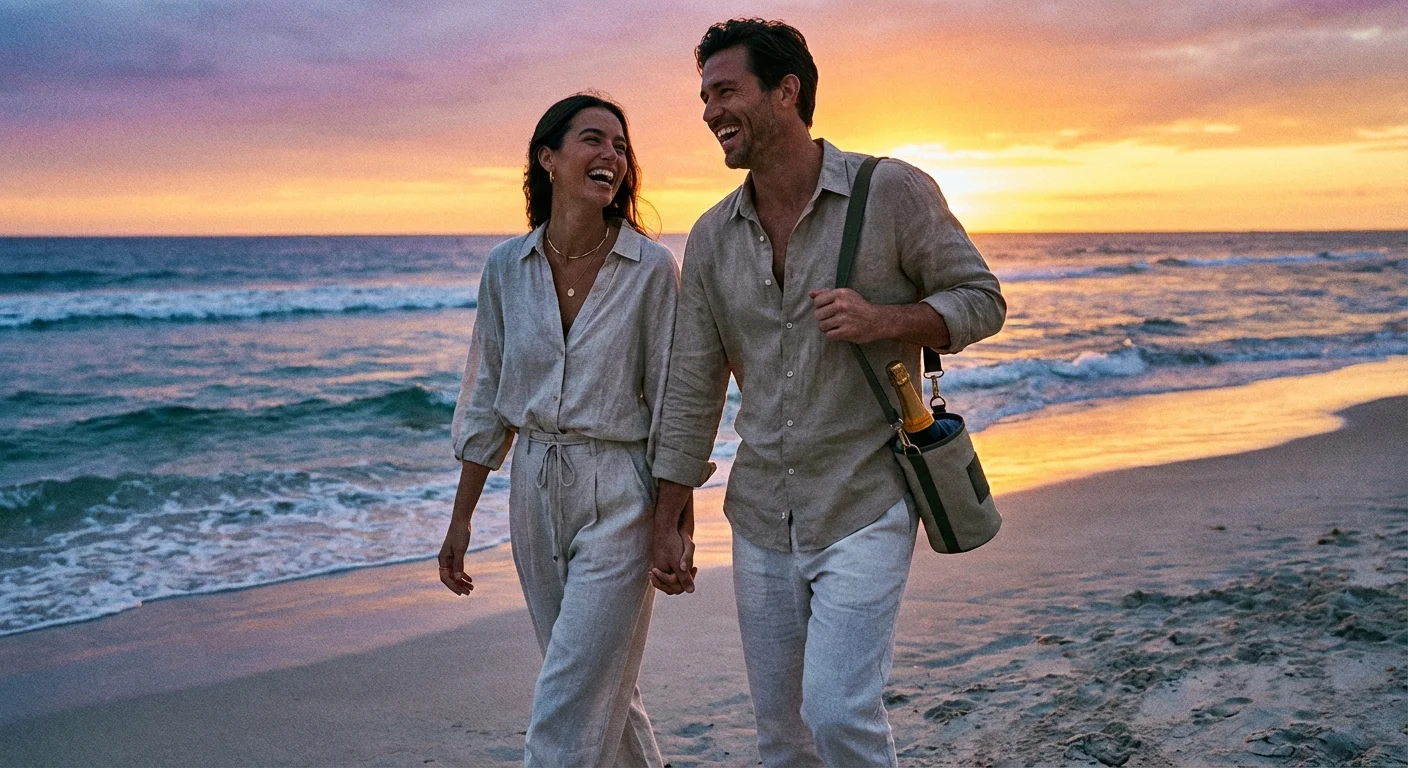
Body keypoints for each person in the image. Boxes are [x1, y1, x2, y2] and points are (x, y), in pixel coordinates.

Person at [647, 19, 1006, 767]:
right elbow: (691, 382)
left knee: (840, 713)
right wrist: (669, 513)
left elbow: (981, 298)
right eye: (704, 96)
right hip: (759, 516)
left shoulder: (891, 191)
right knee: (783, 739)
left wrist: (887, 319)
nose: (711, 111)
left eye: (726, 91)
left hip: (864, 496)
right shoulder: (712, 235)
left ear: (787, 91)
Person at [438, 93, 683, 768]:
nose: (612, 156)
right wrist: (460, 520)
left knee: (568, 699)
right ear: (548, 158)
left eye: (622, 146)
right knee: (599, 688)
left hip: (620, 491)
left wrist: (672, 523)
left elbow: (671, 403)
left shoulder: (652, 270)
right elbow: (486, 397)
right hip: (533, 489)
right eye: (593, 140)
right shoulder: (505, 268)